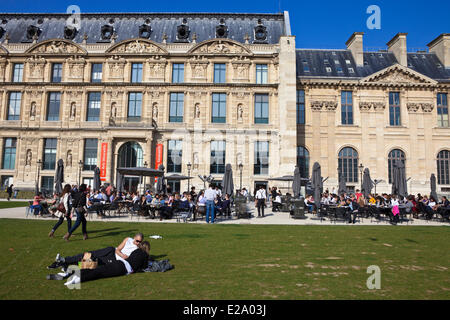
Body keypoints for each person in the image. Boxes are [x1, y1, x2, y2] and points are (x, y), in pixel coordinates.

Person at [62, 241, 150, 285]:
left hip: (120, 262)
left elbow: (131, 259)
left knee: (99, 269)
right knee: (100, 272)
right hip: (122, 268)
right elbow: (144, 266)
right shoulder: (145, 255)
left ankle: (75, 274)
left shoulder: (136, 251)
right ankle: (78, 278)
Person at [48, 233, 144, 270]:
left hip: (115, 259)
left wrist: (122, 256)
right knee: (89, 254)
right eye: (137, 240)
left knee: (94, 264)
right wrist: (122, 254)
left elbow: (133, 259)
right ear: (134, 238)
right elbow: (118, 249)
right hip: (112, 251)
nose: (137, 242)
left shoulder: (138, 250)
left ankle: (66, 265)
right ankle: (65, 259)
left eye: (140, 241)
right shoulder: (128, 239)